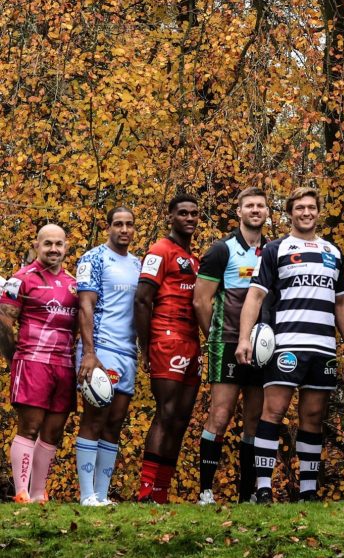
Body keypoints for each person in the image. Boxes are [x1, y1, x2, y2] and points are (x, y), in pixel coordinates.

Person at [236, 187, 344, 504]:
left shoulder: (334, 252)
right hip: (286, 344)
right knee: (272, 412)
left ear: (318, 211)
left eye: (311, 207)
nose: (306, 212)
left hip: (323, 347)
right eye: (299, 207)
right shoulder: (276, 250)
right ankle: (262, 488)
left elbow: (341, 305)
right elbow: (255, 296)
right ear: (290, 212)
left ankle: (308, 491)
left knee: (313, 417)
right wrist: (245, 338)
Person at [194, 188, 269, 505]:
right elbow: (200, 300)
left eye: (261, 206)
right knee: (220, 415)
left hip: (262, 348)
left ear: (267, 212)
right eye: (249, 205)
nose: (255, 210)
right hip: (225, 343)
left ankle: (247, 495)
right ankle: (206, 492)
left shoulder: (273, 250)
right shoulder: (221, 250)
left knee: (255, 420)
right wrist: (215, 334)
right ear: (239, 212)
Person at [0, 224, 79, 503]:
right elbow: (3, 321)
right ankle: (21, 492)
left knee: (53, 432)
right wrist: (14, 357)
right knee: (30, 427)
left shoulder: (74, 282)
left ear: (66, 246)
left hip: (64, 365)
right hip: (32, 360)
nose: (54, 249)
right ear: (37, 245)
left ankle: (38, 493)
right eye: (48, 244)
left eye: (59, 244)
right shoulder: (20, 279)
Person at [135, 193, 202, 503]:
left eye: (194, 214)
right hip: (166, 337)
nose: (189, 218)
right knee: (166, 413)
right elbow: (142, 298)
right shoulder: (159, 251)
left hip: (192, 342)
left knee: (181, 418)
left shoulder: (194, 258)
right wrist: (145, 345)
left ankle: (161, 491)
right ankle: (146, 490)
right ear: (171, 217)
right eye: (183, 213)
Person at [74, 208, 141, 506]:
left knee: (115, 422)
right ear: (108, 227)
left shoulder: (138, 263)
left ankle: (101, 495)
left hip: (128, 352)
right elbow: (85, 306)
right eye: (118, 224)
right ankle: (86, 494)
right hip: (102, 349)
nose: (124, 229)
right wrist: (89, 353)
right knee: (94, 418)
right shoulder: (94, 258)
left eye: (129, 225)